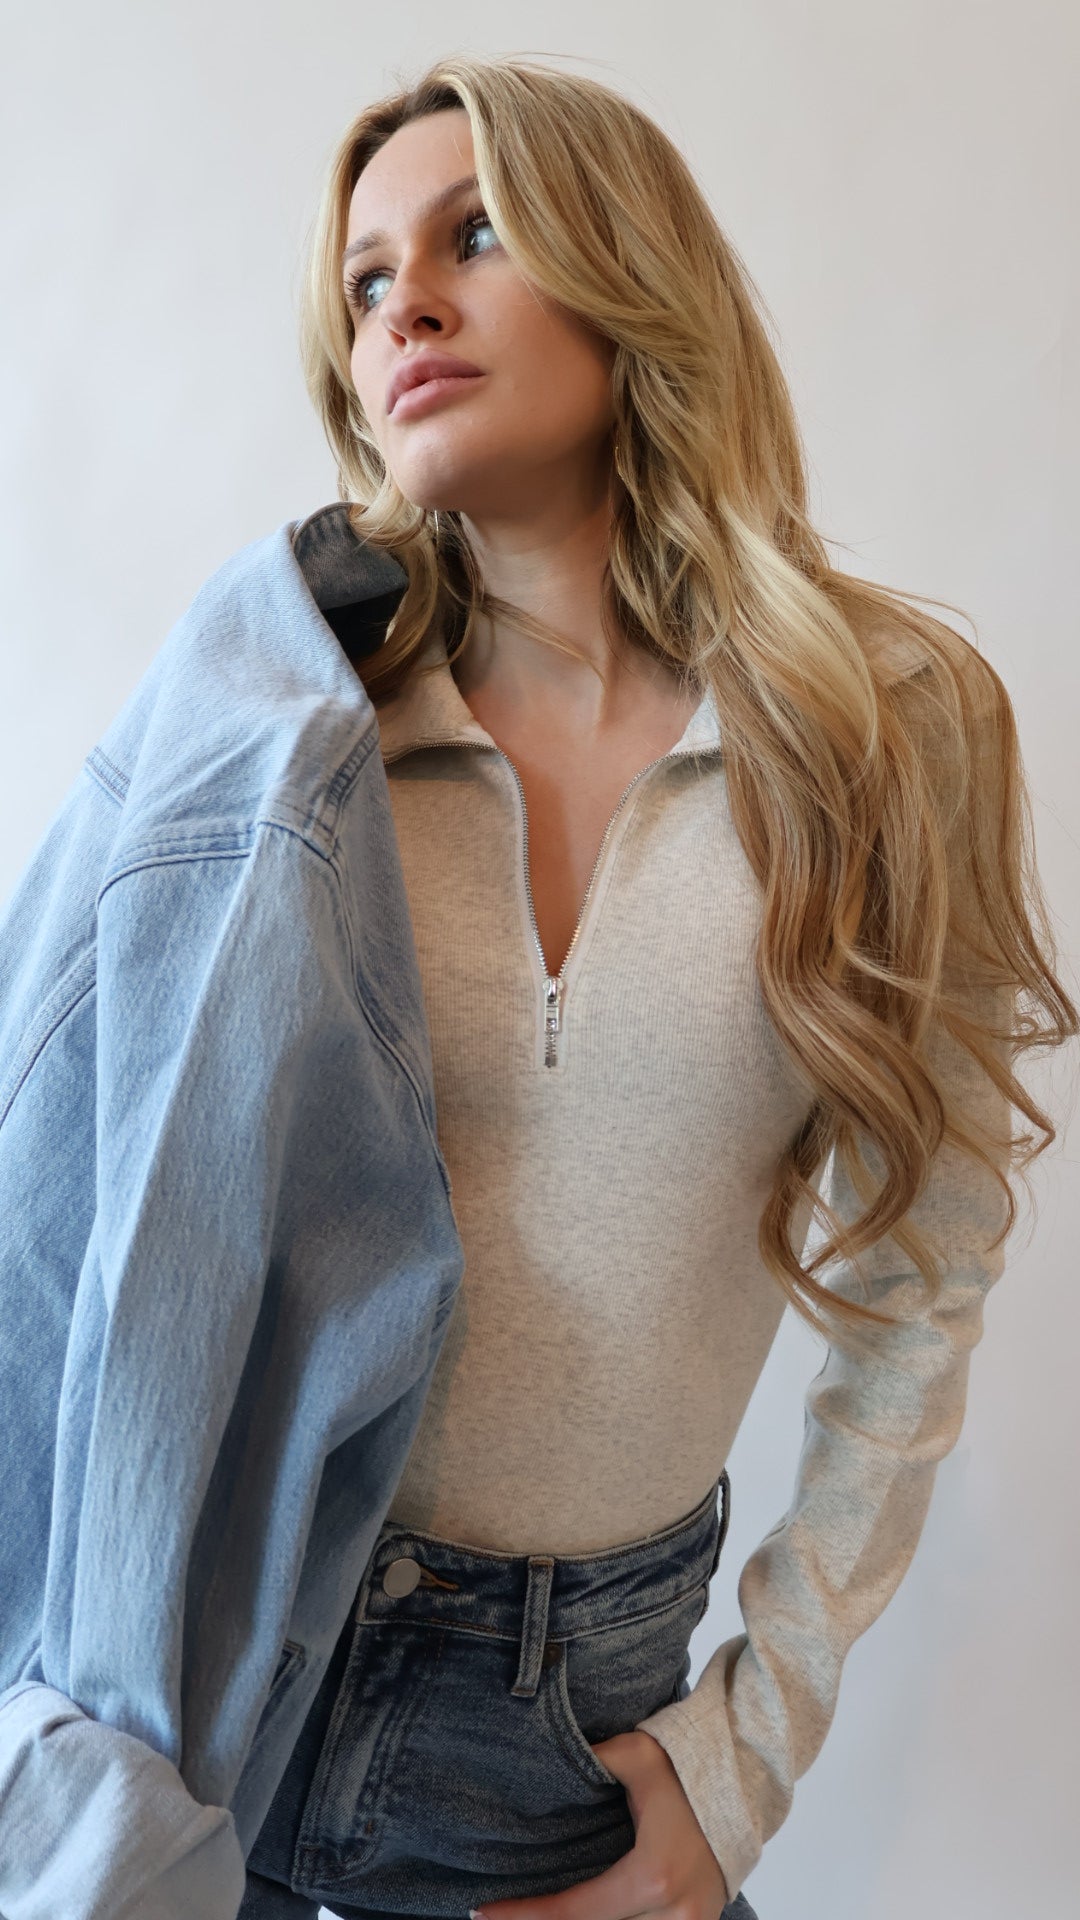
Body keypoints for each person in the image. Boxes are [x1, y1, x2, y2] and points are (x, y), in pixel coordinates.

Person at [235, 50, 1075, 1920]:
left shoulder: (889, 730)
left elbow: (925, 1277)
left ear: (627, 268)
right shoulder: (298, 732)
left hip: (562, 1727)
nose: (404, 307)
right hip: (223, 1672)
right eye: (364, 282)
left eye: (473, 235)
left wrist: (743, 1754)